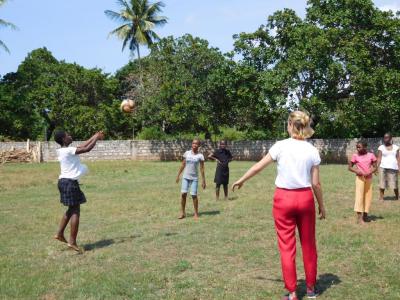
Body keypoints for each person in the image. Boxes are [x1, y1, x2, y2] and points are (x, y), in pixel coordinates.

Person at [232, 111, 325, 300]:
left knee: (286, 246)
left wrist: (242, 179)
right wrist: (322, 206)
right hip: (305, 199)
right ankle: (310, 289)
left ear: (290, 125)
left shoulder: (280, 146)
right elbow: (316, 183)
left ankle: (292, 292)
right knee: (309, 244)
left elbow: (258, 166)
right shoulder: (312, 150)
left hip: (283, 199)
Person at [53, 130, 104, 252]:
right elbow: (86, 149)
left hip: (63, 182)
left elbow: (82, 146)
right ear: (64, 139)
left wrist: (94, 136)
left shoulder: (63, 150)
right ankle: (72, 241)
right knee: (75, 210)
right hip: (70, 183)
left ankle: (59, 234)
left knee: (71, 209)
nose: (70, 136)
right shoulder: (68, 151)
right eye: (68, 135)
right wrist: (96, 139)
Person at [176, 139, 206, 219]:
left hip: (194, 178)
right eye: (193, 143)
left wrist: (203, 180)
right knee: (183, 194)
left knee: (194, 195)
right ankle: (182, 213)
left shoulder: (200, 156)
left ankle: (196, 213)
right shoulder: (187, 153)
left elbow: (202, 169)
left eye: (196, 144)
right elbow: (183, 164)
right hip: (185, 177)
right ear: (191, 144)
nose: (194, 145)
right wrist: (178, 175)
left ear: (199, 146)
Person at [348, 141, 377, 224]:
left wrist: (370, 172)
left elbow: (375, 167)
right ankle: (359, 218)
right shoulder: (355, 156)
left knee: (368, 197)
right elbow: (349, 167)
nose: (357, 149)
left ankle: (365, 216)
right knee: (359, 197)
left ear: (365, 147)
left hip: (369, 179)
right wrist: (357, 171)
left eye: (359, 147)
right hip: (360, 179)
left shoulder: (371, 155)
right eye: (357, 147)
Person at [377, 133, 399, 201]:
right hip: (382, 167)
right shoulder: (381, 147)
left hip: (393, 167)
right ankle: (381, 197)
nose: (385, 139)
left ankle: (397, 197)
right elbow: (379, 158)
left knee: (394, 183)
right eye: (384, 138)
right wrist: (376, 167)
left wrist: (399, 167)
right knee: (382, 182)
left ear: (390, 138)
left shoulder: (396, 147)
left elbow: (398, 158)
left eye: (387, 138)